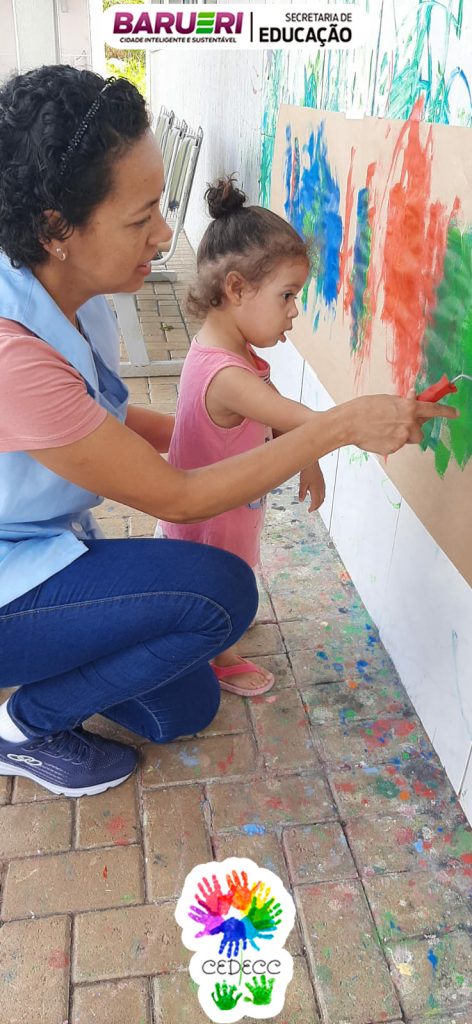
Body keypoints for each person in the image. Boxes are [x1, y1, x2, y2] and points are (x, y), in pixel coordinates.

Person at [0, 65, 456, 799]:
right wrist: (341, 425)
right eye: (141, 218)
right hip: (12, 578)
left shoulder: (75, 294)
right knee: (221, 595)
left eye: (160, 206)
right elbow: (178, 497)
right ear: (58, 229)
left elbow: (95, 421)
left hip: (41, 547)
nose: (164, 234)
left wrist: (287, 436)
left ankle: (58, 661)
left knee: (184, 708)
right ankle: (25, 724)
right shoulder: (12, 351)